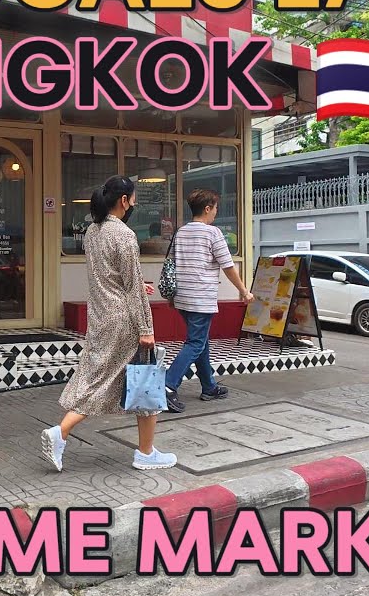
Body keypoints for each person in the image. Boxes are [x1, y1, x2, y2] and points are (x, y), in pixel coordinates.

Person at [41, 175, 176, 472]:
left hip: (101, 316)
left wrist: (138, 285)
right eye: (134, 197)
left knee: (107, 379)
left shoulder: (93, 231)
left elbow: (111, 276)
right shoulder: (125, 235)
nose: (136, 203)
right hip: (124, 320)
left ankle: (145, 450)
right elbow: (128, 287)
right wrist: (146, 329)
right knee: (145, 381)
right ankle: (63, 432)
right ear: (124, 200)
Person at [164, 189, 254, 413]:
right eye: (215, 208)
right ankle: (166, 385)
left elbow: (172, 265)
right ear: (207, 209)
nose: (215, 212)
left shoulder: (181, 232)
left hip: (183, 297)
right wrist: (243, 290)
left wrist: (172, 297)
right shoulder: (212, 233)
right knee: (195, 343)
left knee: (200, 341)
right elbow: (228, 265)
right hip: (200, 297)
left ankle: (209, 387)